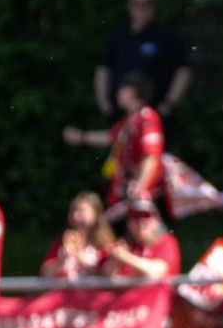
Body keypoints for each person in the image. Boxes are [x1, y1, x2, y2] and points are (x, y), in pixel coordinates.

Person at [63, 74, 169, 221]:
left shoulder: (147, 117)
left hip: (144, 195)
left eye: (121, 90)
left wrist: (139, 187)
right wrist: (81, 137)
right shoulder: (129, 119)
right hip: (127, 192)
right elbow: (110, 137)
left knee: (146, 234)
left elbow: (151, 156)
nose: (117, 94)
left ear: (132, 92)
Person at [95, 0, 193, 120]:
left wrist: (169, 103)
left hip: (155, 115)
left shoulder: (167, 37)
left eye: (146, 4)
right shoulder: (118, 37)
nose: (141, 9)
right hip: (120, 115)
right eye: (136, 3)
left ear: (153, 6)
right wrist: (104, 103)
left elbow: (183, 71)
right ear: (129, 6)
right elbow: (103, 69)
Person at [42, 193, 116, 280]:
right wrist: (61, 261)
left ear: (95, 214)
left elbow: (106, 277)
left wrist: (80, 257)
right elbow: (45, 274)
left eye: (81, 211)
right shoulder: (61, 243)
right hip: (63, 291)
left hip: (92, 292)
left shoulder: (105, 246)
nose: (75, 216)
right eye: (73, 211)